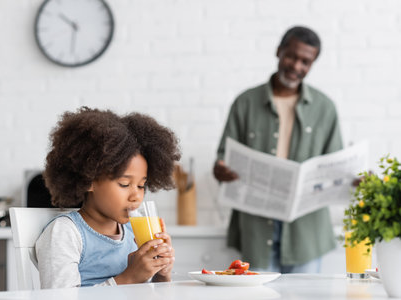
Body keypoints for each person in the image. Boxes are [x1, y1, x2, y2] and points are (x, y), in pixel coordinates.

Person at [213, 26, 343, 273]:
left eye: (306, 61)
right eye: (291, 56)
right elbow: (223, 156)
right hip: (256, 229)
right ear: (279, 51)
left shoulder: (325, 108)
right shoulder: (245, 103)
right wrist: (221, 170)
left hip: (307, 234)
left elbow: (334, 165)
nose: (296, 66)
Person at [35, 107, 181, 288]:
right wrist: (129, 278)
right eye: (124, 184)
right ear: (88, 179)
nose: (136, 195)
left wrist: (160, 274)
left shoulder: (133, 232)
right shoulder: (66, 233)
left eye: (141, 186)